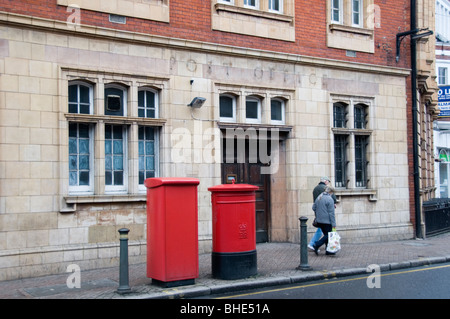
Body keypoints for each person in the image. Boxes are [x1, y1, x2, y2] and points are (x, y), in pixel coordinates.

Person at [308, 177, 336, 252]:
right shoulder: (330, 199)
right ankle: (316, 244)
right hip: (327, 220)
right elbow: (331, 213)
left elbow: (314, 207)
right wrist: (334, 224)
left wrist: (319, 212)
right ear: (331, 192)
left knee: (326, 234)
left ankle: (328, 250)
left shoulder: (319, 197)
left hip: (319, 219)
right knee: (329, 235)